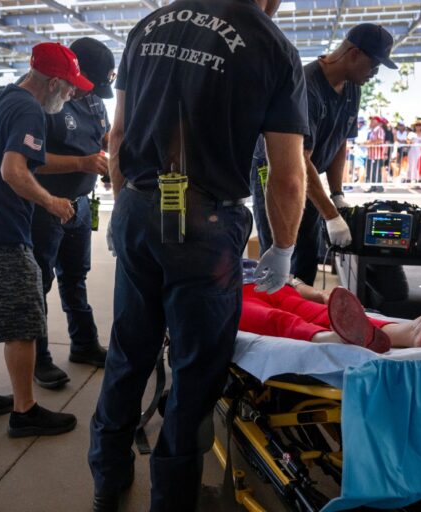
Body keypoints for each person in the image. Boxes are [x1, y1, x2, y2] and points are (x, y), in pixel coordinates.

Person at [89, 1, 308, 510]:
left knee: (129, 351)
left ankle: (107, 477)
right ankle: (172, 497)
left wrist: (124, 206)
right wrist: (284, 247)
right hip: (204, 224)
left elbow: (117, 135)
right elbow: (288, 173)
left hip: (140, 204)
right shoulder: (272, 45)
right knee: (195, 369)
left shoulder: (151, 25)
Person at [0, 42, 93, 437]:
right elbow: (13, 169)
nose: (71, 95)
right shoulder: (30, 110)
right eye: (69, 87)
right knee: (21, 322)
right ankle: (24, 410)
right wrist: (52, 202)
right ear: (52, 83)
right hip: (4, 232)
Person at [250, 23, 397, 284]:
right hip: (277, 172)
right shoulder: (307, 88)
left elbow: (340, 141)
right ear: (353, 54)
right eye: (373, 65)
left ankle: (302, 315)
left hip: (308, 175)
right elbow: (298, 160)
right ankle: (275, 314)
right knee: (281, 250)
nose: (374, 73)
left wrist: (337, 195)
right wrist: (330, 215)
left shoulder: (353, 87)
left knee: (307, 249)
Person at [30, 37, 114, 389]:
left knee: (75, 277)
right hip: (45, 206)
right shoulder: (43, 103)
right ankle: (39, 358)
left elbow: (105, 137)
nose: (82, 93)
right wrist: (82, 162)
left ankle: (83, 343)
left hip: (80, 205)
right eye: (82, 85)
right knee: (39, 284)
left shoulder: (94, 101)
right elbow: (28, 162)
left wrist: (110, 160)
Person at [239, 259, 421, 353]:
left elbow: (290, 279)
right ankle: (334, 338)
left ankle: (416, 330)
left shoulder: (239, 255)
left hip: (273, 284)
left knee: (316, 312)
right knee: (276, 319)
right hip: (231, 294)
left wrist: (318, 293)